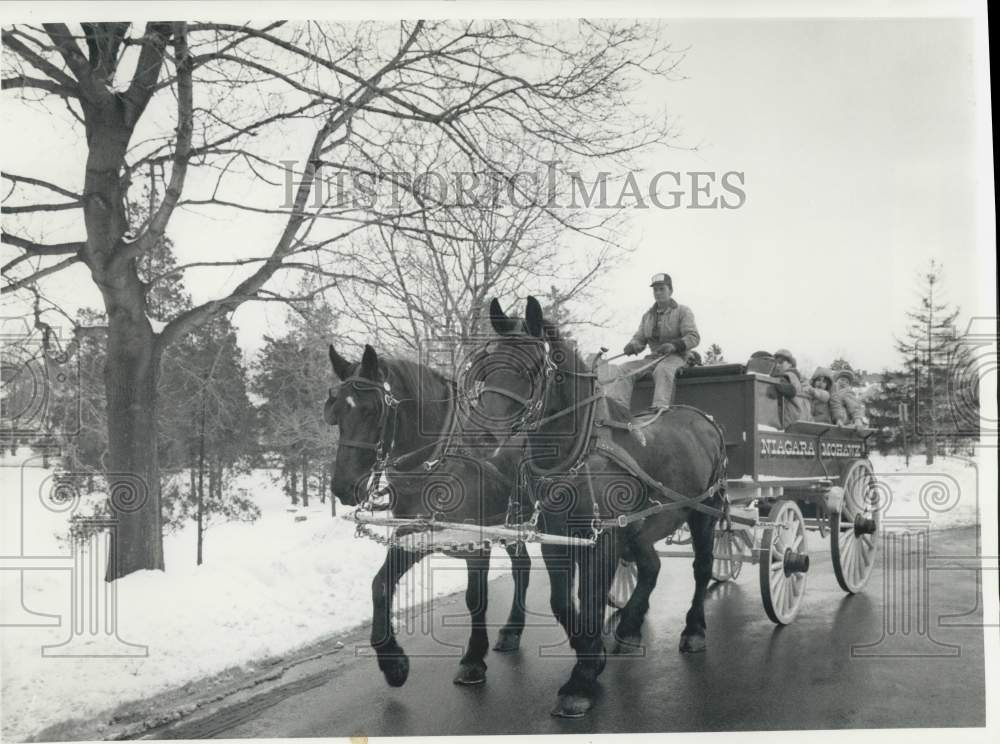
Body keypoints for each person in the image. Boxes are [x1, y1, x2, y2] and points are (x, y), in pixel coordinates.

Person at [610, 272, 700, 410]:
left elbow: (693, 337)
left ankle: (660, 410)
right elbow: (639, 339)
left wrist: (674, 345)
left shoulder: (683, 311)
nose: (658, 292)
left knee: (662, 370)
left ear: (670, 290)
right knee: (623, 370)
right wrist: (632, 346)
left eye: (662, 289)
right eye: (655, 289)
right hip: (653, 358)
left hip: (677, 357)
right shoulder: (648, 316)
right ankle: (619, 411)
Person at [771, 348, 811, 426]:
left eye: (781, 362)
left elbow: (790, 391)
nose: (777, 365)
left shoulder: (787, 376)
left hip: (789, 419)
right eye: (775, 363)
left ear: (790, 364)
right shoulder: (800, 378)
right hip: (802, 418)